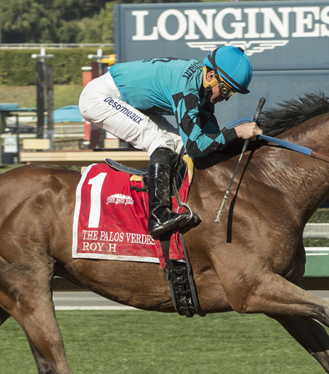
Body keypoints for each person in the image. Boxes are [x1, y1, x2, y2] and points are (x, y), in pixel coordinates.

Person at [79, 45, 261, 238]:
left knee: (177, 144)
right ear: (210, 76)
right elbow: (196, 146)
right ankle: (158, 215)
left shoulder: (203, 87)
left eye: (231, 94)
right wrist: (237, 132)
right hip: (100, 98)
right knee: (161, 141)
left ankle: (177, 200)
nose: (225, 98)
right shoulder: (187, 88)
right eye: (226, 90)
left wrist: (234, 139)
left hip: (130, 102)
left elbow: (209, 141)